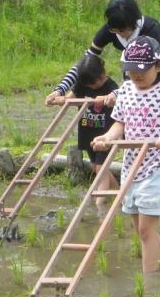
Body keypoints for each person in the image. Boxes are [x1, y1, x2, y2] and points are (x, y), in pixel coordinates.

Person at [91, 36, 160, 273]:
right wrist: (107, 138)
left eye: (142, 70)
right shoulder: (125, 90)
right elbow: (119, 124)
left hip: (157, 165)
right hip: (131, 167)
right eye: (131, 70)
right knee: (142, 231)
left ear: (158, 66)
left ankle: (150, 285)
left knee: (146, 230)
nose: (136, 75)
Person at [45, 0, 160, 104]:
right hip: (136, 67)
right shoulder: (109, 30)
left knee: (153, 105)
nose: (119, 34)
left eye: (122, 30)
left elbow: (154, 71)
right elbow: (85, 63)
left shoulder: (151, 30)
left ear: (134, 23)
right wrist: (60, 90)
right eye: (114, 30)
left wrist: (119, 93)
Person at [45, 54, 119, 213]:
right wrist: (60, 99)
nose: (94, 86)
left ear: (103, 74)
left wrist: (107, 98)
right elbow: (70, 98)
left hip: (106, 135)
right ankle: (119, 194)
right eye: (90, 85)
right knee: (97, 168)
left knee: (101, 168)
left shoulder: (111, 86)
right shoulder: (82, 84)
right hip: (88, 132)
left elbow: (119, 98)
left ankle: (100, 206)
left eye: (97, 82)